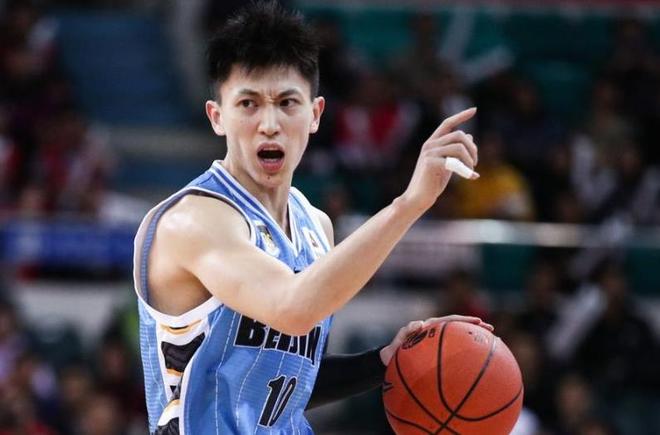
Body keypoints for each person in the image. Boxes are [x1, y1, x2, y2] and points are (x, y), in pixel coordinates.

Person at [133, 2, 490, 433]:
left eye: (287, 102)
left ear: (315, 114)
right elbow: (293, 308)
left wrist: (383, 361)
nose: (269, 123)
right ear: (217, 117)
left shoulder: (315, 225)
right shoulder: (194, 219)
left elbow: (284, 384)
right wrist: (408, 204)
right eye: (248, 103)